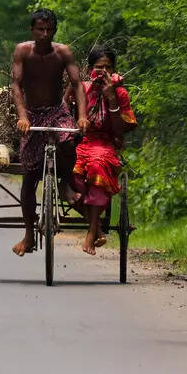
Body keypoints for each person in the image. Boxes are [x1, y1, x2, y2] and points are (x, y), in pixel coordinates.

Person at [10, 8, 89, 256]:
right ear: (32, 30)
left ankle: (64, 180)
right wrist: (22, 116)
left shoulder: (63, 52)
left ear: (54, 30)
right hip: (32, 114)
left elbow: (77, 84)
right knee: (30, 175)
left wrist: (83, 116)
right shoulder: (23, 51)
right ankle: (28, 235)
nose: (45, 34)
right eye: (40, 29)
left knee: (69, 140)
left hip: (57, 111)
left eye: (49, 30)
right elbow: (16, 85)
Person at [70, 46, 138, 254]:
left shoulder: (120, 93)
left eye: (108, 67)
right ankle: (98, 227)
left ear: (114, 69)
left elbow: (120, 131)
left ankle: (91, 232)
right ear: (90, 69)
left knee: (98, 166)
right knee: (66, 173)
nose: (104, 72)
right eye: (99, 68)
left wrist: (111, 99)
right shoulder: (81, 89)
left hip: (106, 143)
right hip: (80, 142)